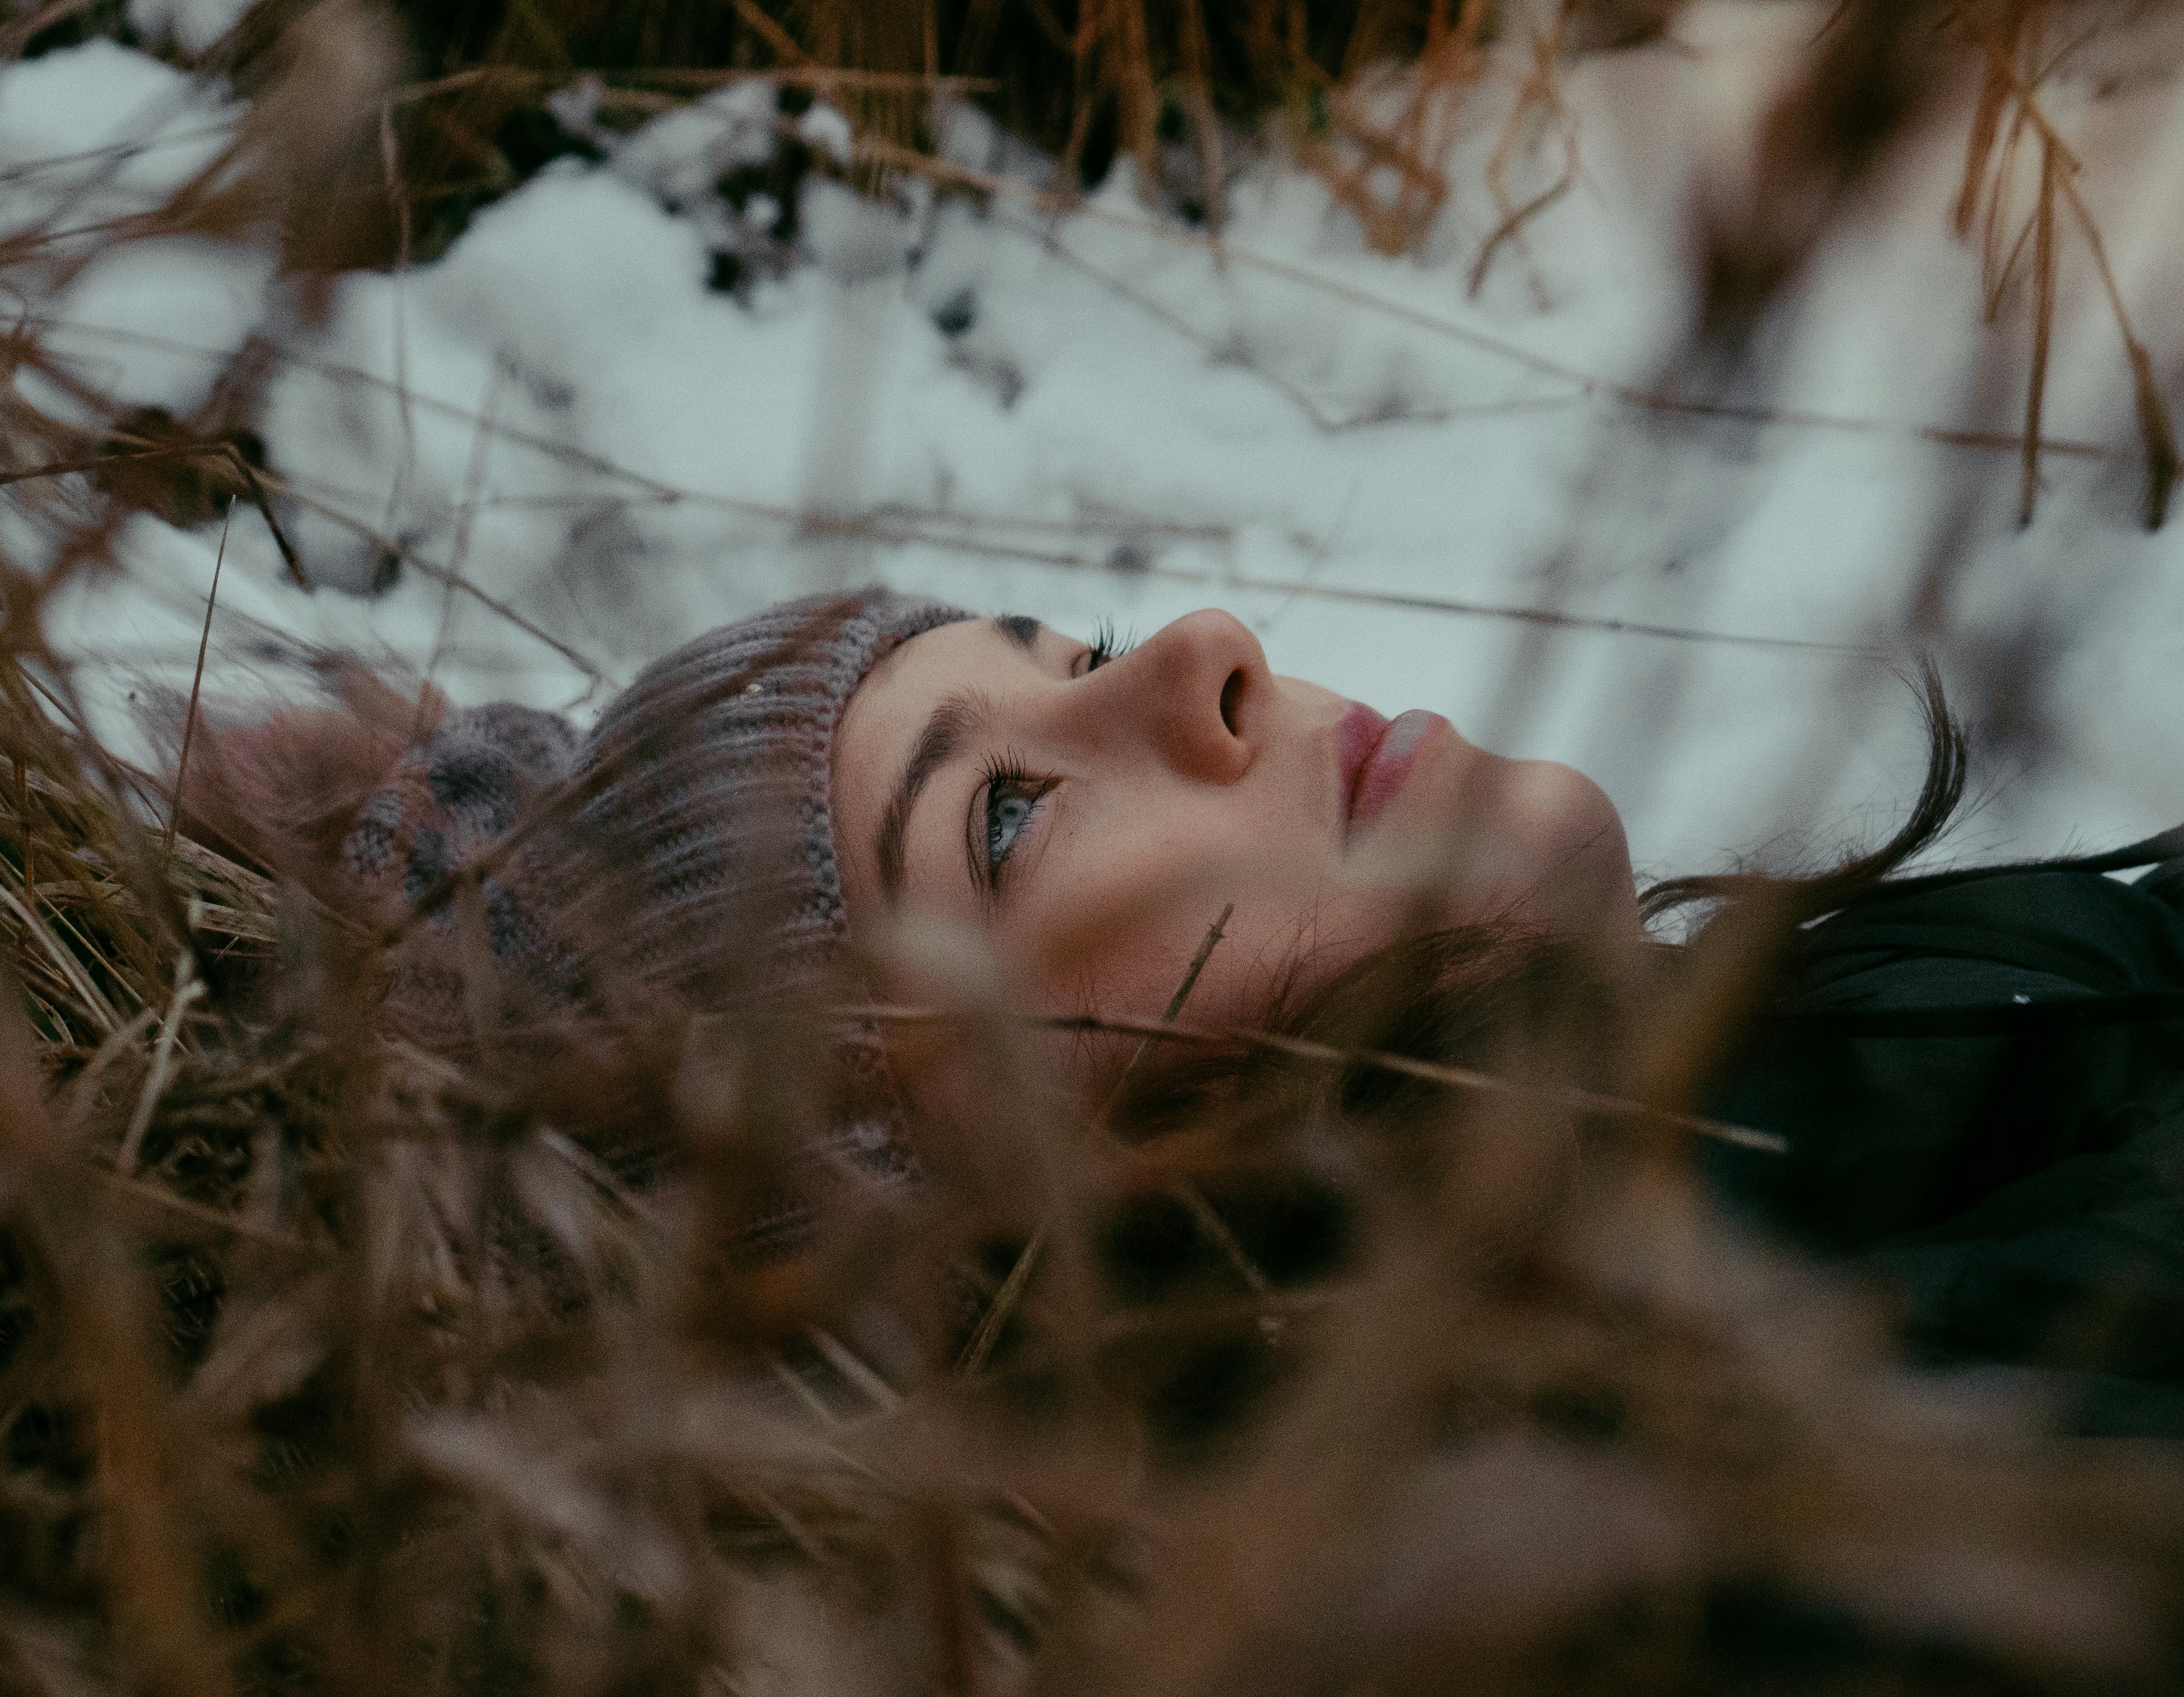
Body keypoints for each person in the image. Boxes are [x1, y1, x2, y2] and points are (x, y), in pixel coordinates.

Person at [198, 588, 2184, 1389]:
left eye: (1073, 636)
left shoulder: (1883, 1119)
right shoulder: (1743, 1590)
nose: (1204, 648)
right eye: (999, 823)